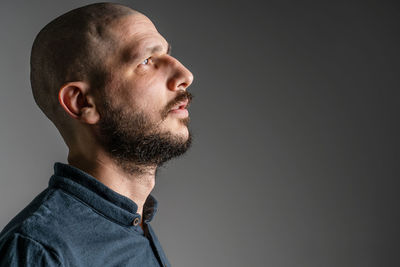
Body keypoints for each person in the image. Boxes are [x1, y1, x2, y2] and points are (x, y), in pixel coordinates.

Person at [0, 2, 194, 266]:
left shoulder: (135, 224)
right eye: (147, 61)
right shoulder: (40, 251)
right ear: (82, 103)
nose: (185, 75)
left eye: (168, 55)